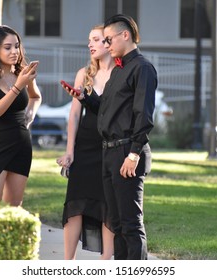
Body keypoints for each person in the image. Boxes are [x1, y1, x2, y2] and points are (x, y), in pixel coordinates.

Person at [70, 14, 157, 260]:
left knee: (130, 223)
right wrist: (84, 98)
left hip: (127, 152)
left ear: (125, 35)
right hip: (109, 152)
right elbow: (108, 112)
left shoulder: (142, 68)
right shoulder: (119, 69)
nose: (106, 45)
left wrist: (133, 154)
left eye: (109, 40)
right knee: (115, 224)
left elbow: (143, 115)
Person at [57, 25, 115, 260]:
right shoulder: (84, 74)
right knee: (75, 203)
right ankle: (67, 264)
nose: (90, 44)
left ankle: (105, 265)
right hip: (85, 147)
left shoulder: (120, 75)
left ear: (108, 43)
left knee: (106, 205)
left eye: (96, 39)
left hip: (109, 147)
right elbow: (74, 115)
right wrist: (70, 151)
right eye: (89, 40)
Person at [0, 25, 42, 206]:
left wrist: (30, 115)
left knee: (14, 209)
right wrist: (18, 86)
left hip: (21, 145)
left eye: (17, 46)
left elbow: (36, 97)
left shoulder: (20, 73)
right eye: (8, 47)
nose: (15, 51)